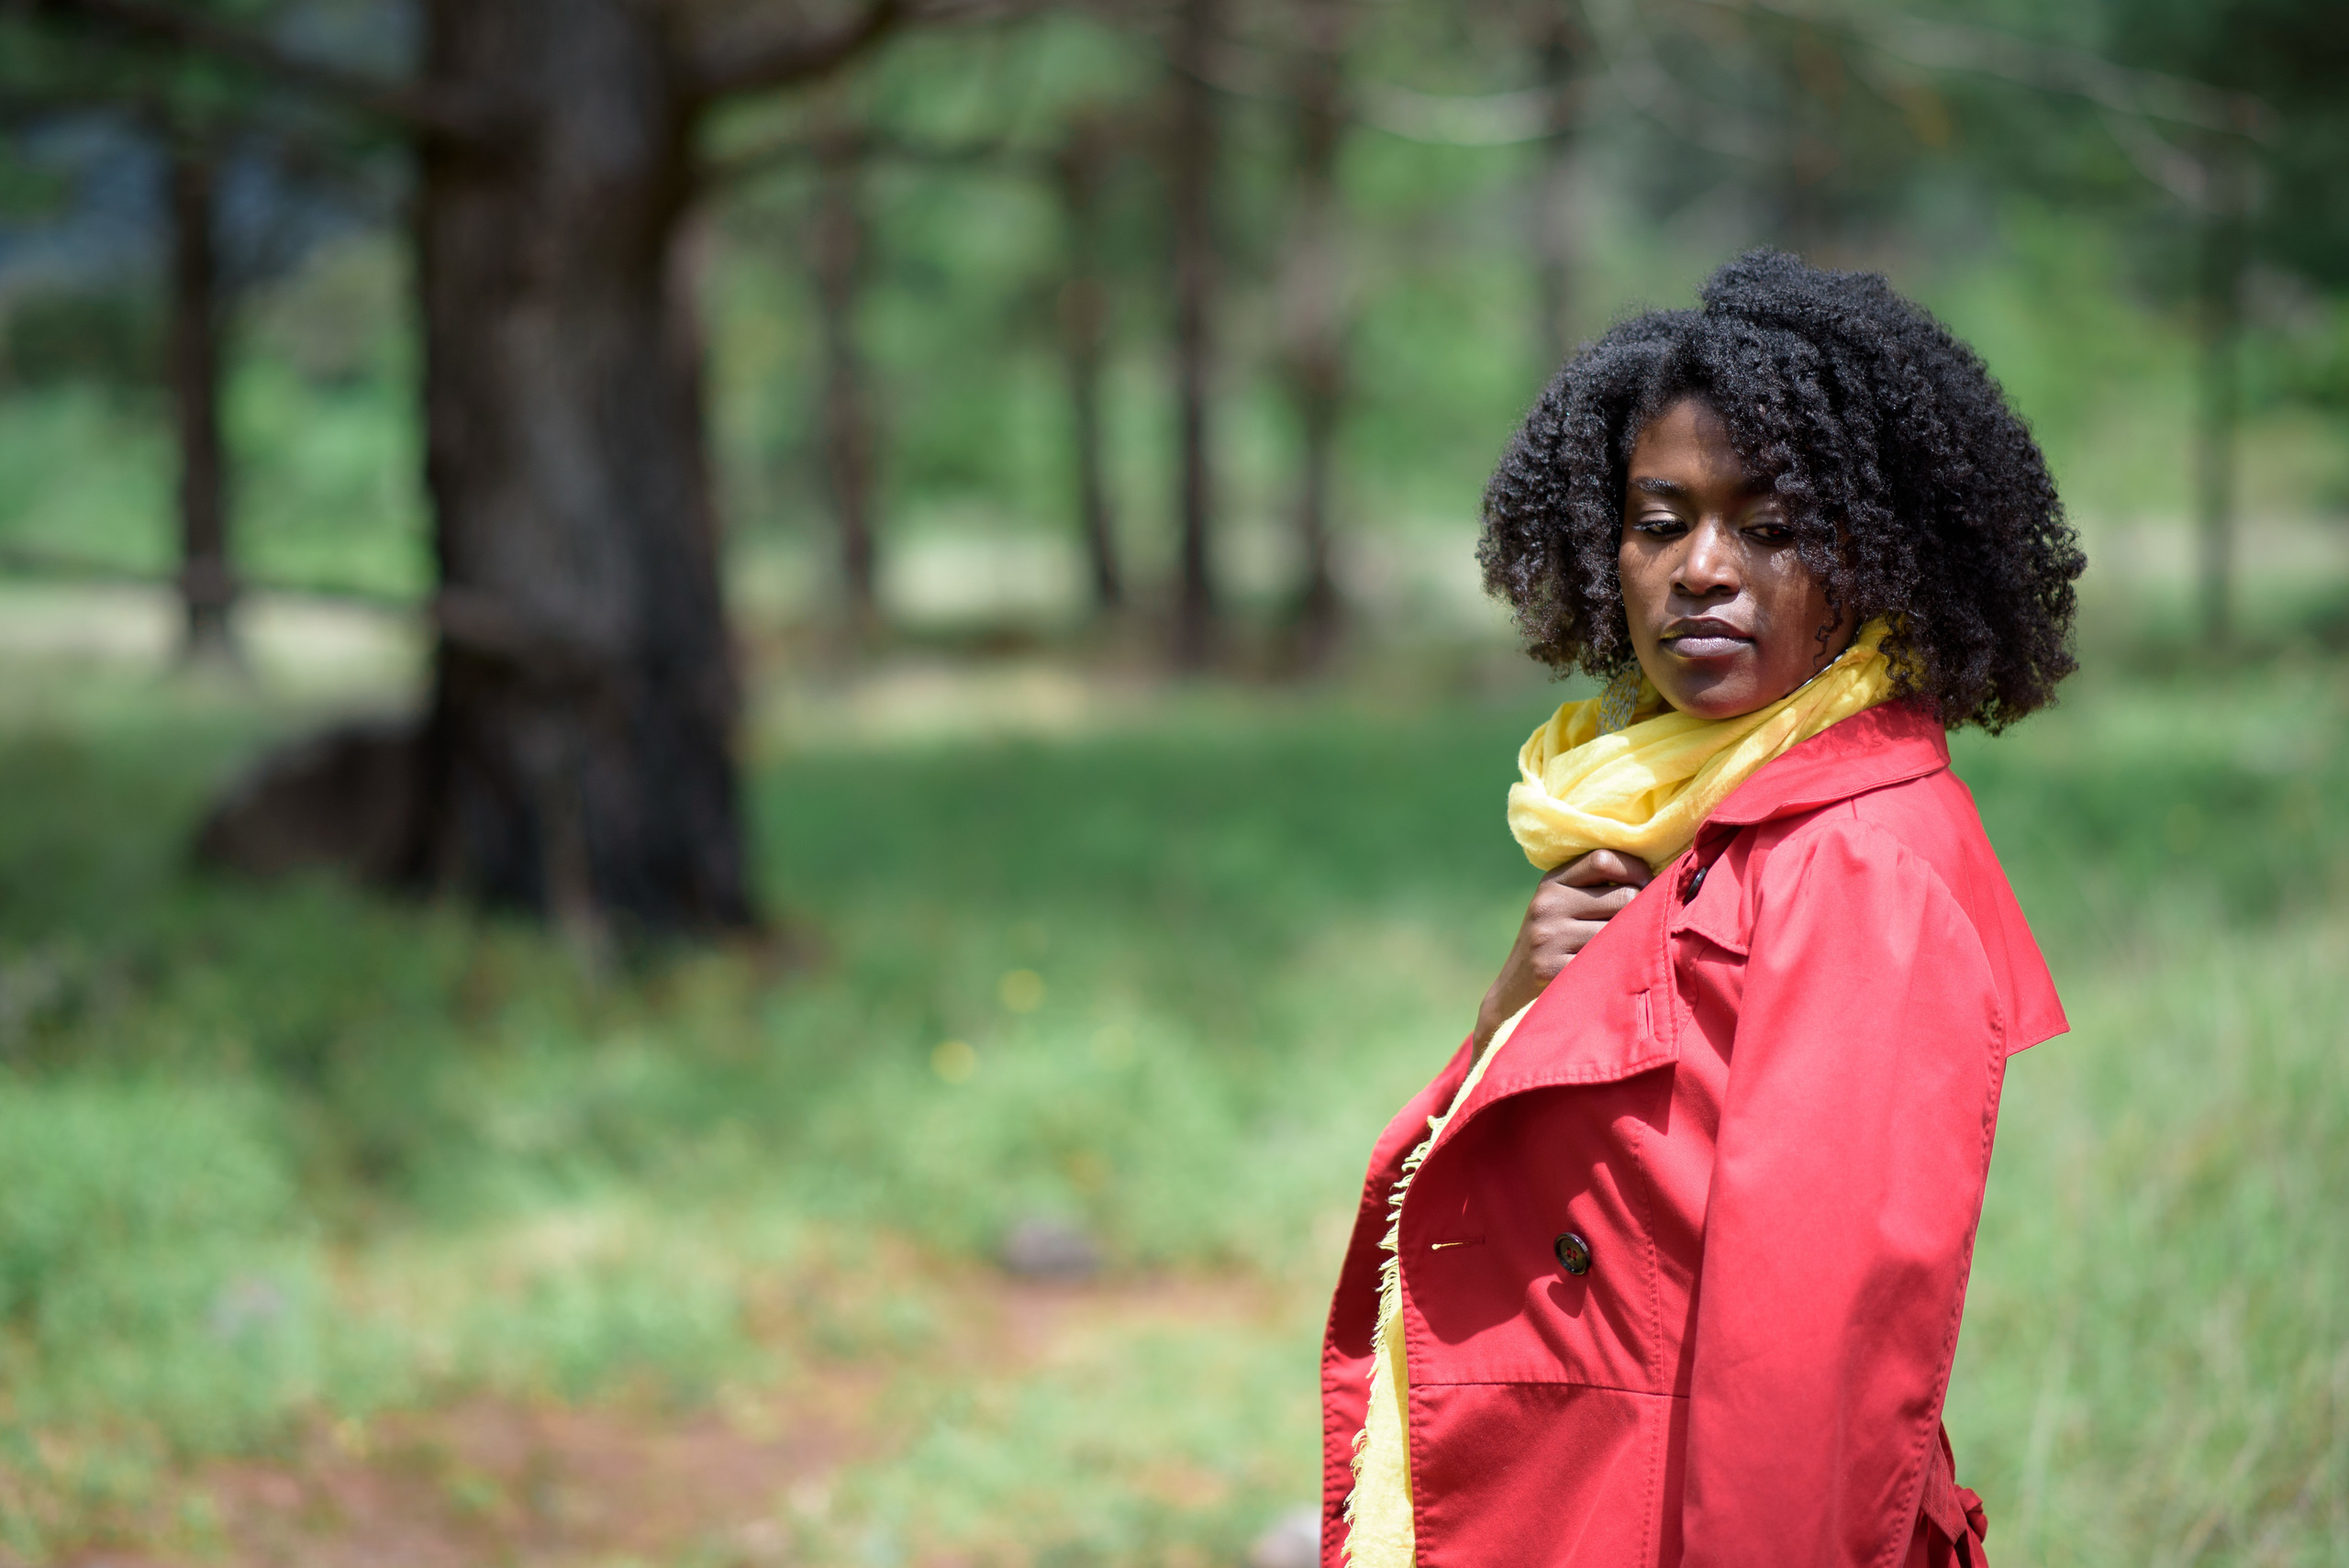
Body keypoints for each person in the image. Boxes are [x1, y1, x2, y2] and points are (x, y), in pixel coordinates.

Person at [1320, 251, 2086, 1568]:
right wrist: (1512, 1005)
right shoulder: (1666, 816)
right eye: (1660, 519)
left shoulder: (1858, 857)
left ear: (1877, 555)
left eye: (1772, 526)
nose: (1703, 570)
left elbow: (1810, 1350)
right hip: (1576, 1496)